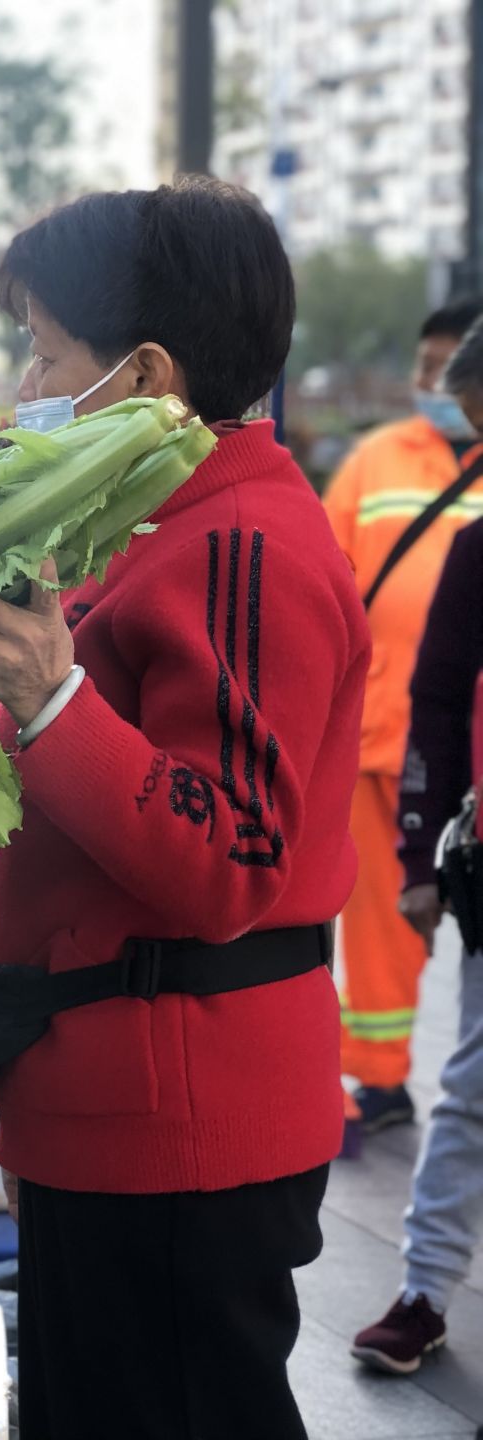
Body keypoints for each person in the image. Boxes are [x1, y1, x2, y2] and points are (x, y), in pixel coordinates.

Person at [0, 179, 367, 1438]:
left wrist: (52, 702)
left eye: (45, 350)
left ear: (148, 373)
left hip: (181, 1119)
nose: (23, 382)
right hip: (101, 1099)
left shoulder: (243, 546)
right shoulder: (147, 530)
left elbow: (230, 859)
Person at [350, 313, 483, 1374]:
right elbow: (440, 698)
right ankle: (423, 1291)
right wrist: (421, 859)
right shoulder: (474, 546)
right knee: (475, 1089)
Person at [324, 297, 483, 1132]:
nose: (430, 383)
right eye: (423, 366)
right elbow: (324, 581)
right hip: (387, 731)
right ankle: (380, 1080)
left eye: (445, 366)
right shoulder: (378, 459)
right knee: (386, 917)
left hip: (474, 743)